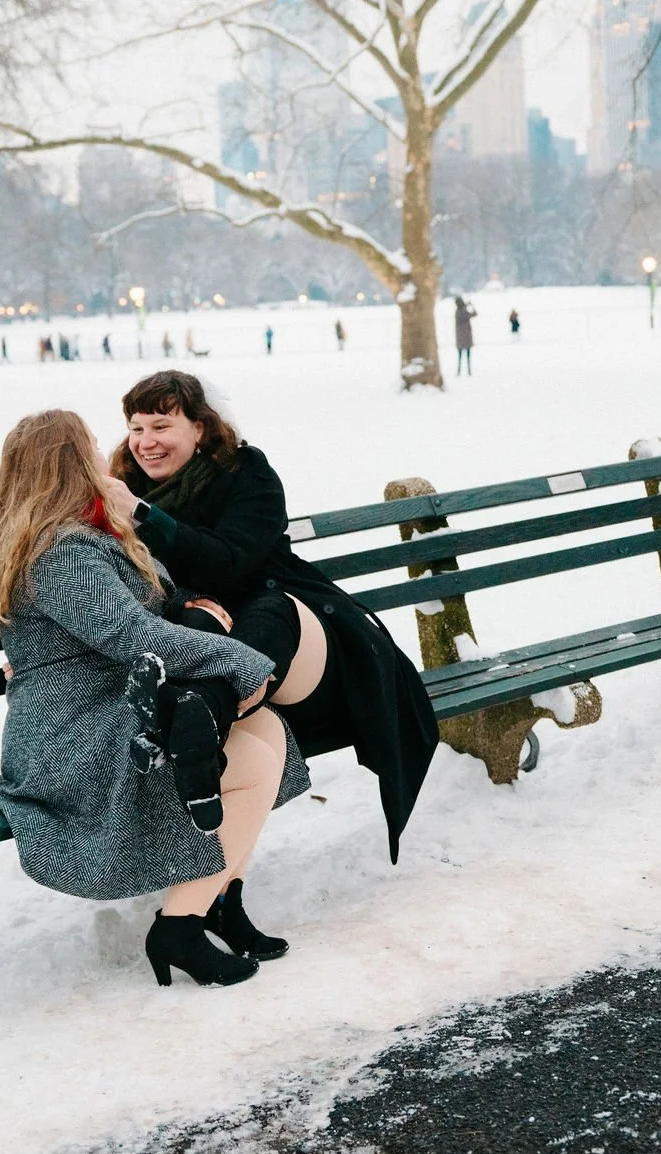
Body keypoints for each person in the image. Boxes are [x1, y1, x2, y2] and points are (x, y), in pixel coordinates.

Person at [0, 409, 309, 988]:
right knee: (248, 765)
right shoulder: (60, 551)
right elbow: (129, 633)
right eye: (93, 449)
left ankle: (220, 899)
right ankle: (178, 928)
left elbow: (144, 609)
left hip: (116, 702)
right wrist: (241, 660)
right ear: (74, 464)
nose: (107, 459)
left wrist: (188, 606)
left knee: (266, 732)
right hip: (73, 733)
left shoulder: (74, 535)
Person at [107, 370, 439, 868]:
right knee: (206, 640)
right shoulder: (122, 491)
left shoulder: (246, 474)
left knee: (265, 611)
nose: (146, 442)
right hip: (202, 653)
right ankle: (197, 743)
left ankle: (202, 716)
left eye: (161, 426)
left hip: (301, 649)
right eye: (137, 428)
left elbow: (230, 560)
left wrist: (145, 518)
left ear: (199, 428)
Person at [454, 296, 476, 375]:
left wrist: (466, 305)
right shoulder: (463, 311)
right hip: (466, 336)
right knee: (467, 355)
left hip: (460, 337)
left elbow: (462, 309)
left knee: (460, 356)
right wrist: (471, 305)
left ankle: (459, 371)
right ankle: (468, 371)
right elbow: (475, 314)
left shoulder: (457, 311)